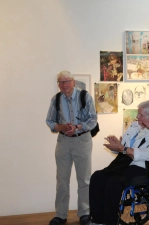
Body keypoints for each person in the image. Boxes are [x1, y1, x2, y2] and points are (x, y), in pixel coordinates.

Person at [89, 100, 149, 225]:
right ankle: (97, 219)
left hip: (140, 166)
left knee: (113, 183)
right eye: (138, 114)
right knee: (97, 177)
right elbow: (123, 148)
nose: (137, 117)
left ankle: (109, 222)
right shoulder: (133, 126)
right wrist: (117, 146)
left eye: (141, 115)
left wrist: (123, 149)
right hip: (124, 162)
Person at [45, 71, 98, 225]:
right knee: (62, 180)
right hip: (63, 142)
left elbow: (93, 119)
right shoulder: (55, 99)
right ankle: (60, 214)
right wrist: (61, 126)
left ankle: (85, 213)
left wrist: (77, 127)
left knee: (84, 180)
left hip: (82, 140)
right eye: (60, 82)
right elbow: (49, 121)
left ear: (73, 82)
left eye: (67, 81)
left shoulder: (85, 97)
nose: (64, 85)